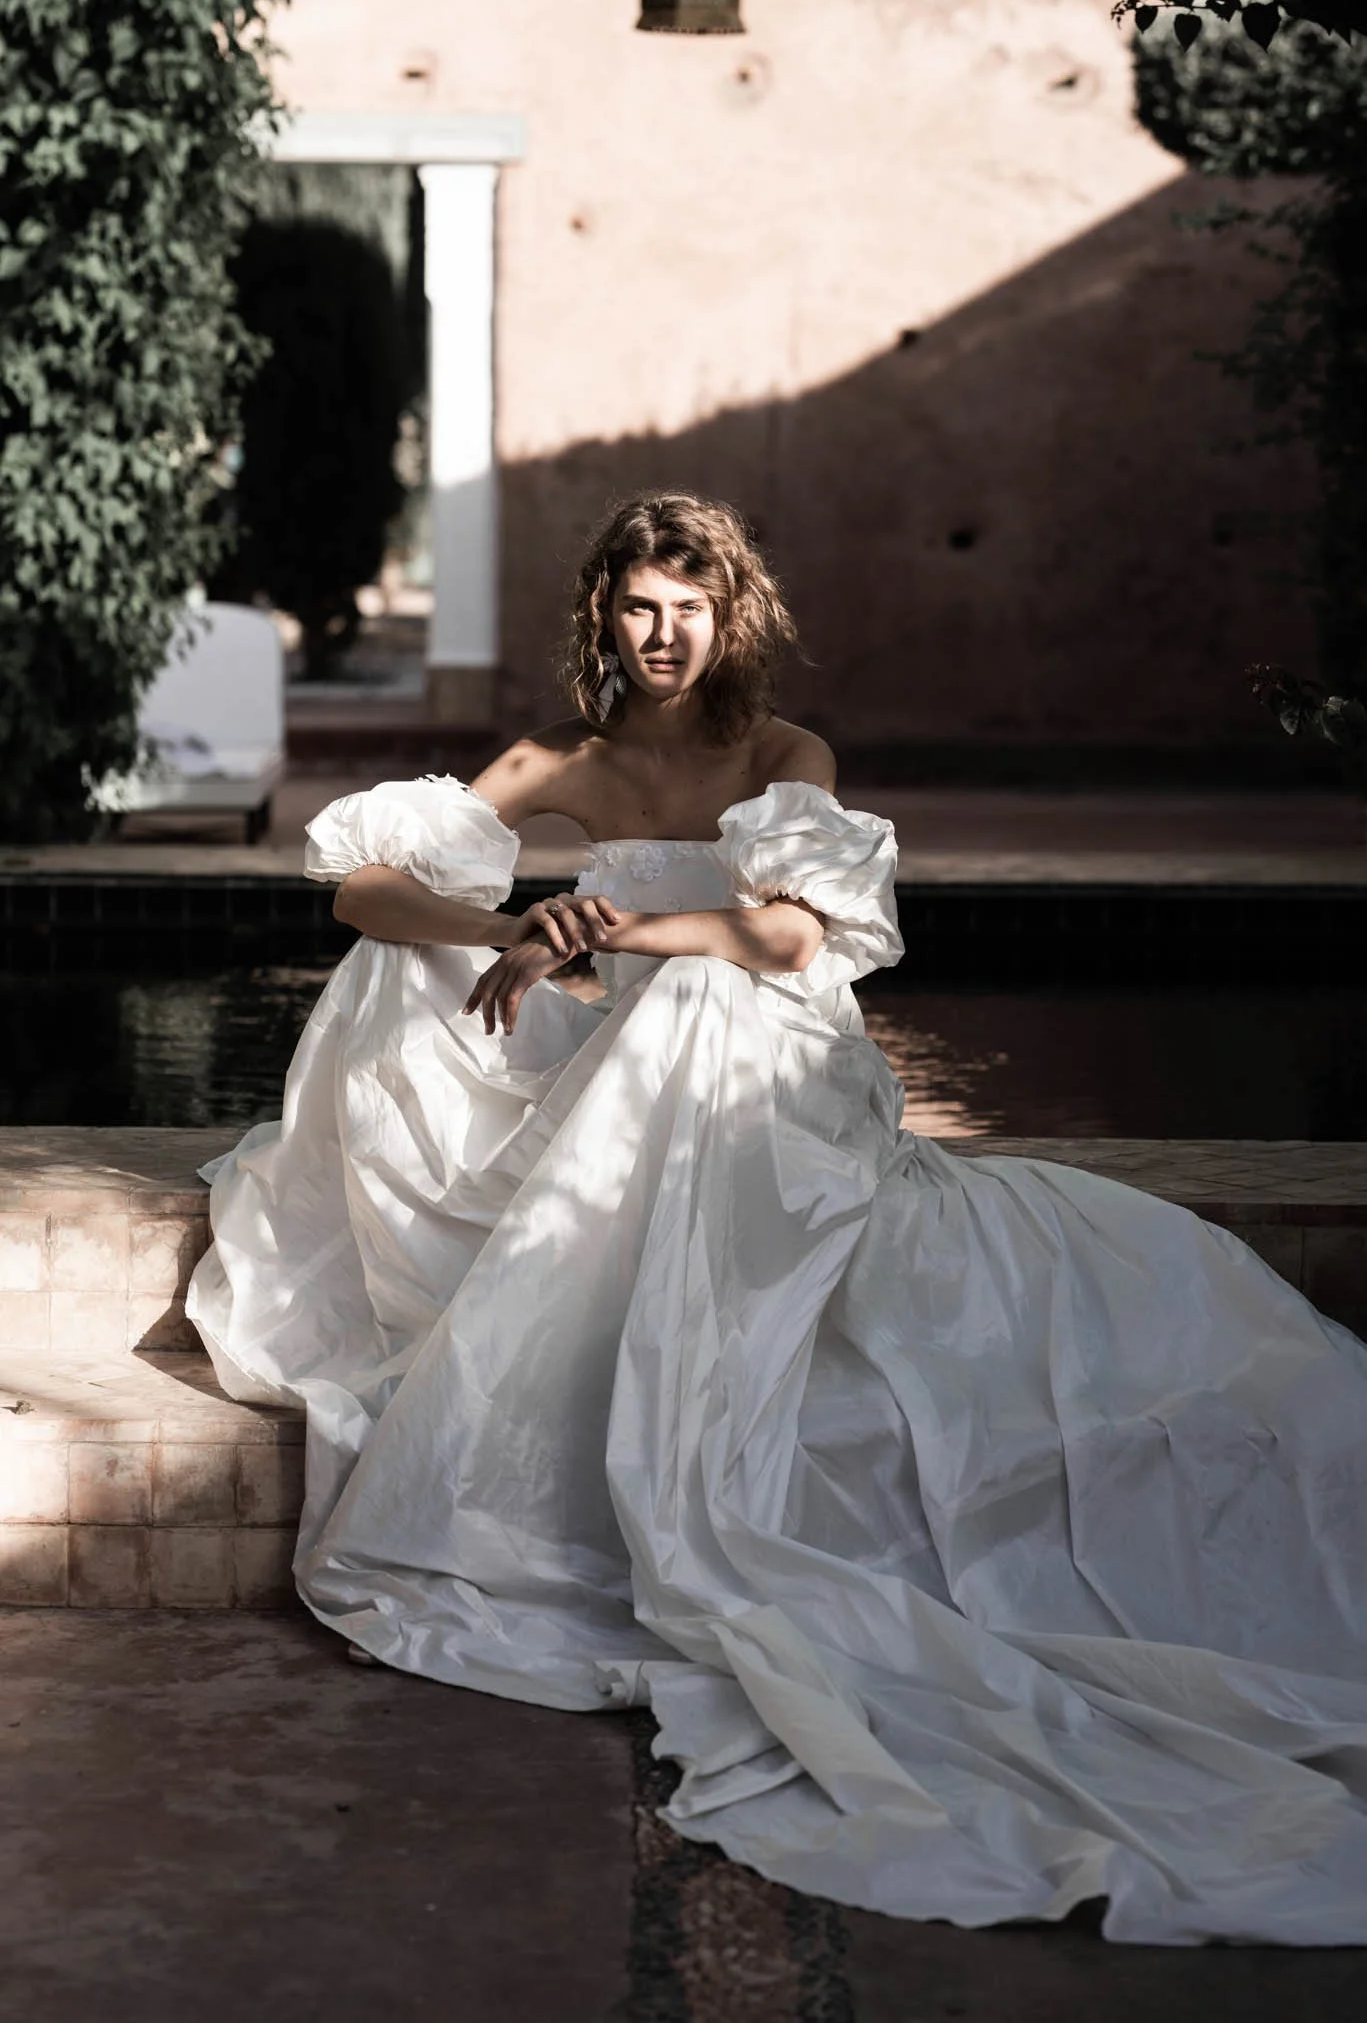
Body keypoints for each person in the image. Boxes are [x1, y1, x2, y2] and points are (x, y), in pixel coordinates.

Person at [189, 491, 1367, 1947]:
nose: (665, 633)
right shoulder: (562, 760)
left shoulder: (780, 758)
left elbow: (789, 937)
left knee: (700, 988)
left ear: (731, 612)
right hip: (624, 1096)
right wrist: (512, 926)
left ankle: (694, 1372)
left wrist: (612, 926)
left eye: (691, 605)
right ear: (602, 616)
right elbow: (362, 887)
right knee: (405, 965)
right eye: (639, 605)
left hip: (769, 1087)